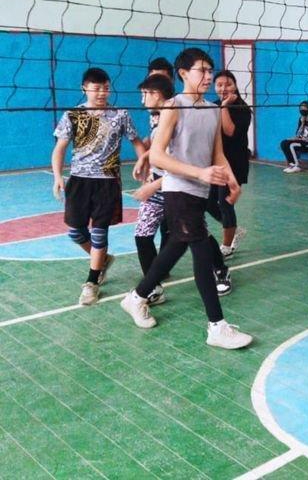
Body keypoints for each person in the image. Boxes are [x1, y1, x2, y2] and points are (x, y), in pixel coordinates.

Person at [121, 47, 253, 349]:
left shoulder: (211, 109)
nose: (207, 76)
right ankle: (216, 327)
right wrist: (199, 172)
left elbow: (217, 153)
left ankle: (137, 297)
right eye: (201, 71)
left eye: (210, 71)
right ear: (183, 73)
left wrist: (232, 180)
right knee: (202, 252)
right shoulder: (173, 107)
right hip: (178, 190)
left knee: (176, 247)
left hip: (198, 191)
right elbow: (157, 155)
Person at [52, 67, 145, 305]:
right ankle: (103, 259)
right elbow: (60, 148)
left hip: (108, 181)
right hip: (79, 180)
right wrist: (58, 176)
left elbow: (136, 142)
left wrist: (143, 164)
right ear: (84, 88)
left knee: (100, 231)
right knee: (75, 232)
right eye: (97, 88)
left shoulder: (120, 114)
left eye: (106, 87)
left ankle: (92, 282)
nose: (102, 92)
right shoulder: (73, 114)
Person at [133, 73, 174, 302]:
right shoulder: (158, 120)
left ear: (157, 94)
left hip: (177, 189)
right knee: (142, 235)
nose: (143, 100)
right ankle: (152, 288)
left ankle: (219, 269)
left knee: (198, 236)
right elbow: (159, 150)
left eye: (145, 94)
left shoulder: (175, 121)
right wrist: (145, 159)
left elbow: (180, 166)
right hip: (158, 185)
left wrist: (153, 186)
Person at [206, 70, 251, 258]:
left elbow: (229, 131)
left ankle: (226, 246)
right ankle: (234, 228)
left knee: (225, 204)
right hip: (217, 162)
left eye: (228, 84)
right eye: (219, 85)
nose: (223, 88)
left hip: (235, 164)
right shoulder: (212, 106)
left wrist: (224, 106)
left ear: (235, 86)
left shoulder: (243, 108)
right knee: (208, 202)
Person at [280, 101, 308, 173]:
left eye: (304, 108)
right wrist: (302, 123)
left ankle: (296, 166)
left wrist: (300, 139)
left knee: (291, 145)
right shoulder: (301, 119)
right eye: (301, 108)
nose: (302, 110)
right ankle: (291, 165)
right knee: (284, 143)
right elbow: (298, 135)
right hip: (302, 142)